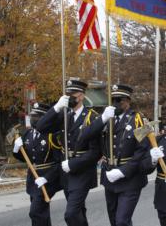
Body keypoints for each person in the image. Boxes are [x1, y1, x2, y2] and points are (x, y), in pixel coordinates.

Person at [36, 79, 101, 226]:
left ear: (82, 96)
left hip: (82, 171)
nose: (70, 97)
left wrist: (73, 164)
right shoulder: (64, 115)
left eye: (73, 94)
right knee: (78, 212)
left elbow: (95, 152)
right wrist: (56, 108)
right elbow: (40, 127)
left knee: (70, 214)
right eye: (68, 94)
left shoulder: (92, 117)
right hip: (65, 172)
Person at [83, 84, 149, 226]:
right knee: (114, 220)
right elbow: (85, 136)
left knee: (121, 221)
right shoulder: (106, 118)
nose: (116, 104)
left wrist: (123, 171)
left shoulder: (139, 120)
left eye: (119, 100)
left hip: (130, 178)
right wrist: (103, 119)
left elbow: (142, 151)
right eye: (113, 100)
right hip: (109, 177)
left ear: (128, 101)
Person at [14, 102, 63, 226]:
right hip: (33, 178)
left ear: (44, 118)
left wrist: (46, 178)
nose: (33, 119)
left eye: (36, 116)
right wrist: (16, 148)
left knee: (35, 212)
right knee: (42, 213)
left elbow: (59, 162)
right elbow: (25, 158)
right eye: (32, 116)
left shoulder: (51, 136)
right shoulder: (28, 134)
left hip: (47, 179)